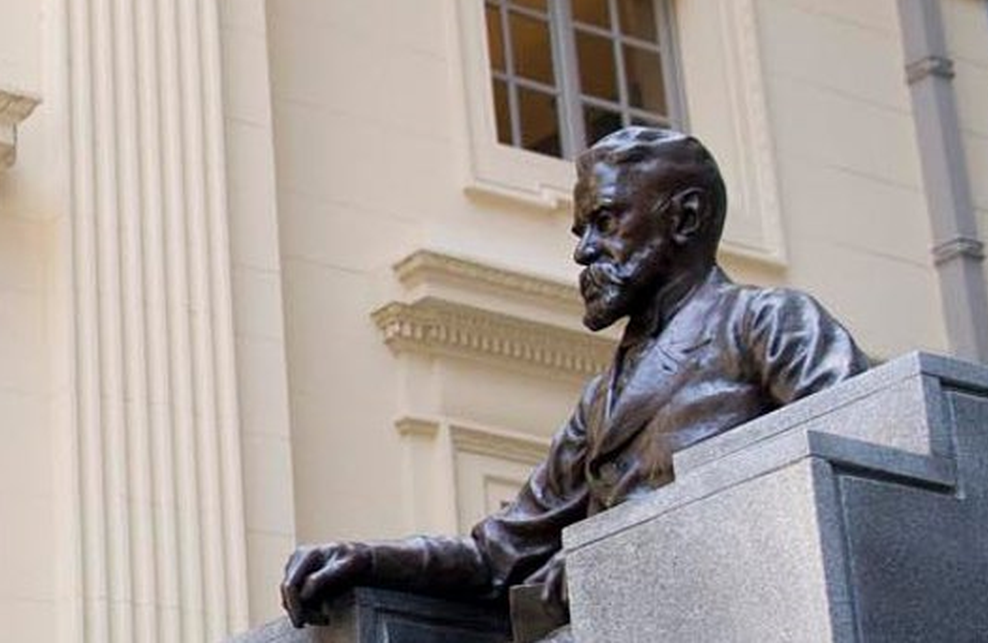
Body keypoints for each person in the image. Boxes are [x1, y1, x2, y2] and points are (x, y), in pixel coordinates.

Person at [279, 128, 870, 640]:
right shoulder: (600, 400)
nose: (584, 252)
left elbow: (860, 461)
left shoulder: (765, 323)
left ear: (685, 218)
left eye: (605, 222)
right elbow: (498, 555)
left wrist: (619, 542)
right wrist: (369, 559)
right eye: (581, 231)